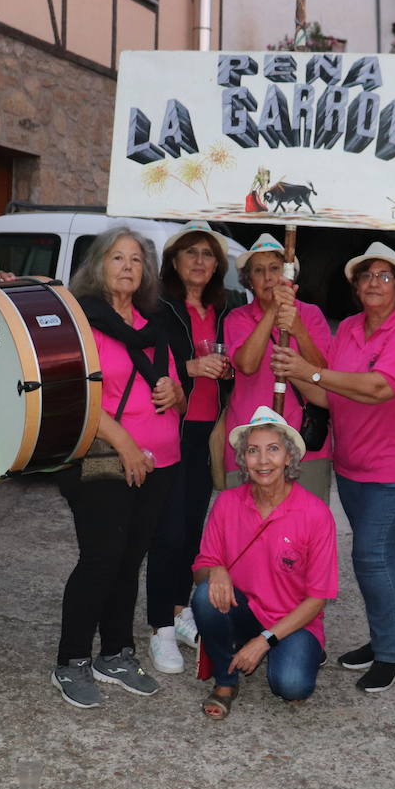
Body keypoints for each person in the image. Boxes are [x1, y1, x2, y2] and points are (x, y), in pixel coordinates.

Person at [271, 242, 395, 693]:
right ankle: (383, 638)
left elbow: (379, 387)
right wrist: (298, 373)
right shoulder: (347, 328)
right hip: (355, 463)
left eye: (384, 276)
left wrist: (313, 371)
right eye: (366, 276)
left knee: (371, 553)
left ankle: (389, 655)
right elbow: (332, 396)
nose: (373, 283)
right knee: (379, 555)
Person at [51, 227, 187, 708]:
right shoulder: (81, 320)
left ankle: (116, 652)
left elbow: (173, 389)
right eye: (117, 258)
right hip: (103, 456)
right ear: (97, 266)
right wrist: (125, 442)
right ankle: (70, 661)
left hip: (162, 459)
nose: (128, 266)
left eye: (136, 259)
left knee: (130, 559)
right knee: (102, 557)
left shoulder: (157, 321)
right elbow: (74, 394)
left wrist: (178, 393)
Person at [190, 406, 339, 718]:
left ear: (288, 457)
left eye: (273, 449)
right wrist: (215, 569)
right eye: (252, 451)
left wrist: (264, 641)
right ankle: (225, 681)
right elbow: (201, 568)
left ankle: (293, 650)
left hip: (292, 619)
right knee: (204, 595)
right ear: (243, 459)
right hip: (243, 610)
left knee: (292, 687)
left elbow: (318, 598)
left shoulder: (315, 514)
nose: (262, 460)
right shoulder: (228, 503)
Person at [146, 220, 236, 674]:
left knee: (193, 533)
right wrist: (191, 365)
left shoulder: (224, 308)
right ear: (174, 261)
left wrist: (225, 372)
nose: (200, 261)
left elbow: (237, 367)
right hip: (170, 431)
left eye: (208, 254)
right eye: (191, 253)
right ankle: (159, 627)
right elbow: (144, 363)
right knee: (169, 534)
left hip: (207, 433)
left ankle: (181, 612)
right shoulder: (159, 307)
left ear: (218, 265)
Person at [223, 234, 333, 500]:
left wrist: (299, 330)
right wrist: (272, 311)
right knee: (246, 528)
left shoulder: (311, 314)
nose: (268, 277)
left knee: (304, 529)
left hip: (303, 442)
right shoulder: (237, 318)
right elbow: (247, 364)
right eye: (258, 271)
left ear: (288, 275)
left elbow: (324, 372)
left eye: (274, 269)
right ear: (249, 280)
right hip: (249, 441)